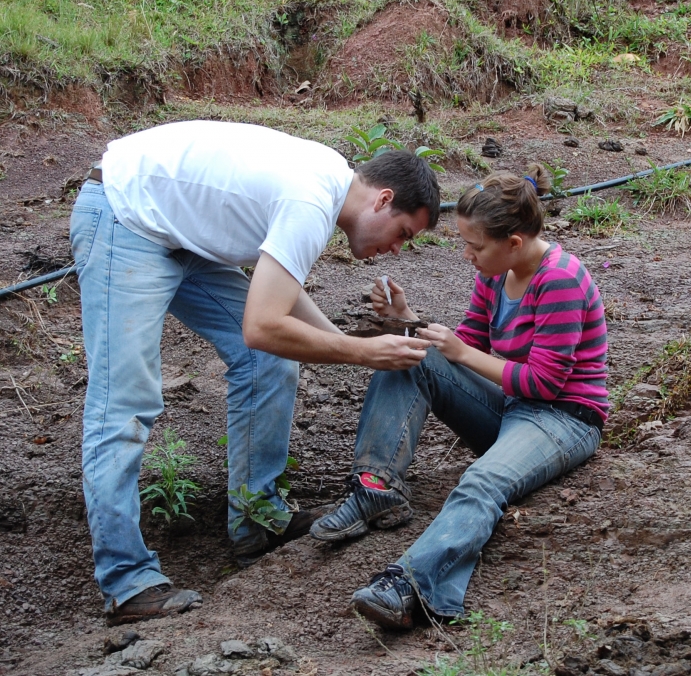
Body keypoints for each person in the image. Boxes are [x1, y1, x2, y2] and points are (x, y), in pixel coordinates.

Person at [69, 120, 440, 626]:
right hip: (125, 215)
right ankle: (126, 580)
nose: (397, 249)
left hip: (181, 233)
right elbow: (264, 325)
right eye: (403, 233)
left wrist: (358, 345)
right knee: (125, 401)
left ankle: (257, 519)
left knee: (270, 359)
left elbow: (282, 307)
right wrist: (360, 353)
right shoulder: (310, 203)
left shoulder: (328, 183)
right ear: (382, 200)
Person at [309, 163, 608, 629]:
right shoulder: (496, 272)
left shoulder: (560, 280)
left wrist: (462, 352)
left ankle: (412, 584)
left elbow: (543, 383)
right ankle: (375, 487)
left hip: (563, 420)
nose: (467, 255)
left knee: (481, 483)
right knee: (409, 356)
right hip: (512, 408)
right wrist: (406, 320)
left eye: (474, 245)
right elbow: (466, 342)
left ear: (513, 243)